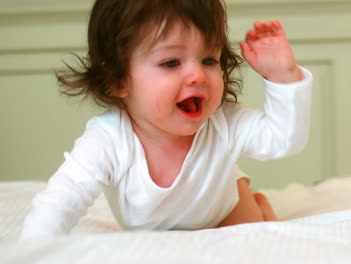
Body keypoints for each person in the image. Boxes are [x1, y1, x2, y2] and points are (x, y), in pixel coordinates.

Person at [20, 0, 312, 239]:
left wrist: (283, 78)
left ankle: (257, 202)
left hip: (223, 210)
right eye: (171, 62)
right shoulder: (108, 140)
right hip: (151, 228)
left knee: (255, 238)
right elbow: (63, 199)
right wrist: (31, 251)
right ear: (118, 80)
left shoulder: (224, 122)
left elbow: (284, 141)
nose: (198, 75)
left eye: (209, 60)